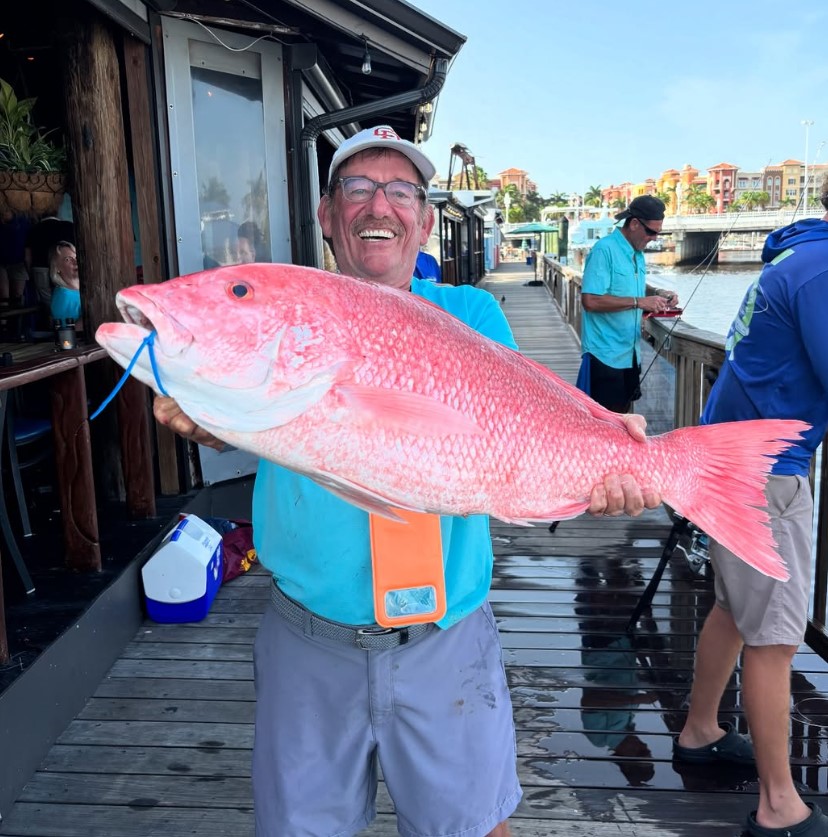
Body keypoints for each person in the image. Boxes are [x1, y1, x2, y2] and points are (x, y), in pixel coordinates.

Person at [154, 125, 662, 837]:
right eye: (357, 189)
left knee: (476, 827)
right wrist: (212, 414)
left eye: (401, 192)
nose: (378, 206)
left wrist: (604, 451)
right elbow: (250, 402)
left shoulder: (473, 314)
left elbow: (515, 423)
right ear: (328, 216)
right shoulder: (290, 311)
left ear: (425, 221)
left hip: (445, 638)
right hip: (307, 639)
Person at [673, 177, 828, 837]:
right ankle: (777, 804)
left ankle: (701, 729)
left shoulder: (797, 259)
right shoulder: (822, 272)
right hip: (767, 474)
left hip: (729, 462)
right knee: (775, 638)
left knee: (737, 609)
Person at [576, 195, 678, 412]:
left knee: (624, 418)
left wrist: (658, 294)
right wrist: (639, 302)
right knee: (604, 423)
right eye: (651, 232)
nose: (654, 238)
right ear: (634, 224)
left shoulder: (637, 253)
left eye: (658, 234)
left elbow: (633, 288)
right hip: (604, 356)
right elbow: (590, 300)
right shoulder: (605, 250)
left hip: (630, 353)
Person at [48, 241, 82, 324]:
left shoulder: (84, 288)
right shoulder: (63, 297)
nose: (75, 262)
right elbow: (66, 334)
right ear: (57, 268)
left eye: (76, 257)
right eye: (68, 259)